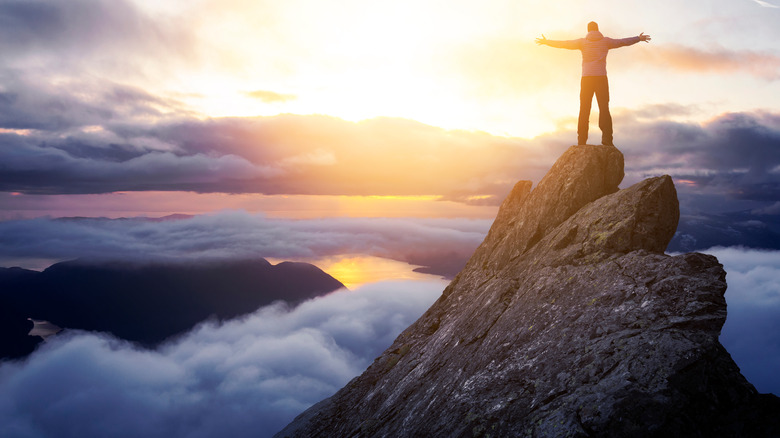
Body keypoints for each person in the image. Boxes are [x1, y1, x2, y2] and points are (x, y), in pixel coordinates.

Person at [536, 22, 650, 146]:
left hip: (586, 79)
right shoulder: (606, 41)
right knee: (604, 109)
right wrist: (638, 38)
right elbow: (622, 42)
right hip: (601, 78)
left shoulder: (582, 42)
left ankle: (581, 141)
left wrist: (547, 42)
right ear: (598, 29)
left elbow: (564, 44)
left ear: (588, 30)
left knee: (584, 109)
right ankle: (607, 140)